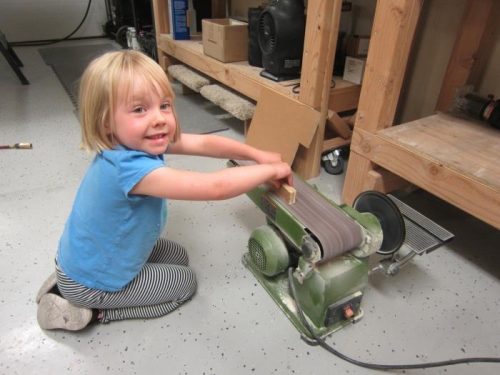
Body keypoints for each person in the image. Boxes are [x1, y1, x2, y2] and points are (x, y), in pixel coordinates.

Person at [36, 50, 293, 331]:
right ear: (106, 121)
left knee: (179, 257)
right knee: (185, 283)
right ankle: (89, 310)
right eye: (139, 109)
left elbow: (206, 145)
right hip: (94, 280)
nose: (158, 118)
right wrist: (270, 170)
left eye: (165, 105)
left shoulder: (136, 139)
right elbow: (215, 187)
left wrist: (256, 154)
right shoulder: (130, 169)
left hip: (84, 259)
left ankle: (67, 281)